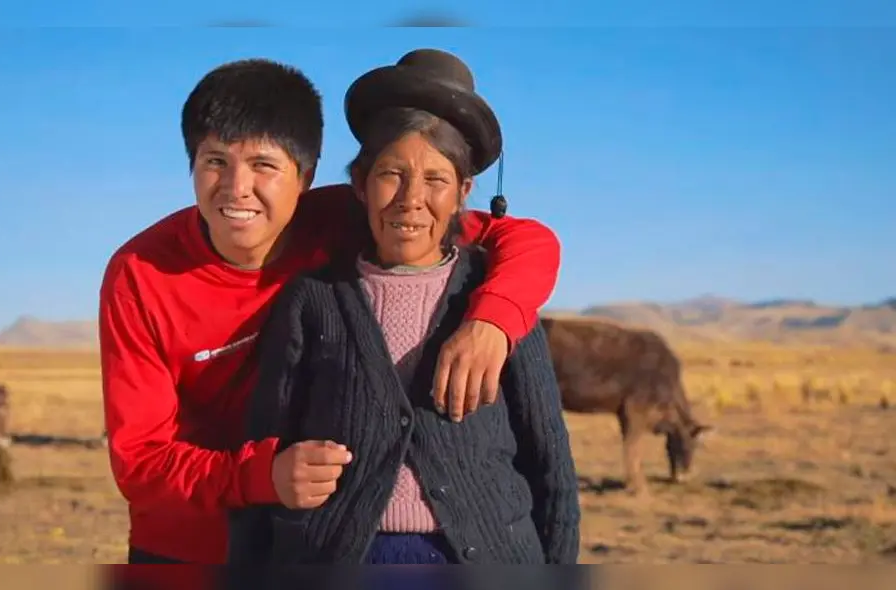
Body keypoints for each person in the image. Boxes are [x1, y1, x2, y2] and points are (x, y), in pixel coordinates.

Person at [98, 56, 564, 566]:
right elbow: (139, 463)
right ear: (190, 164)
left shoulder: (347, 217)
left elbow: (524, 239)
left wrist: (491, 320)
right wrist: (263, 476)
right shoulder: (141, 273)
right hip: (186, 547)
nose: (236, 189)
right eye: (215, 162)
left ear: (307, 175)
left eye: (264, 166)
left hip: (301, 544)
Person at [226, 48, 581, 568]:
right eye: (391, 174)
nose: (411, 198)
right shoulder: (314, 301)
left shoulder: (496, 300)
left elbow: (549, 462)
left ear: (463, 194)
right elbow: (266, 445)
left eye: (436, 180)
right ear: (359, 185)